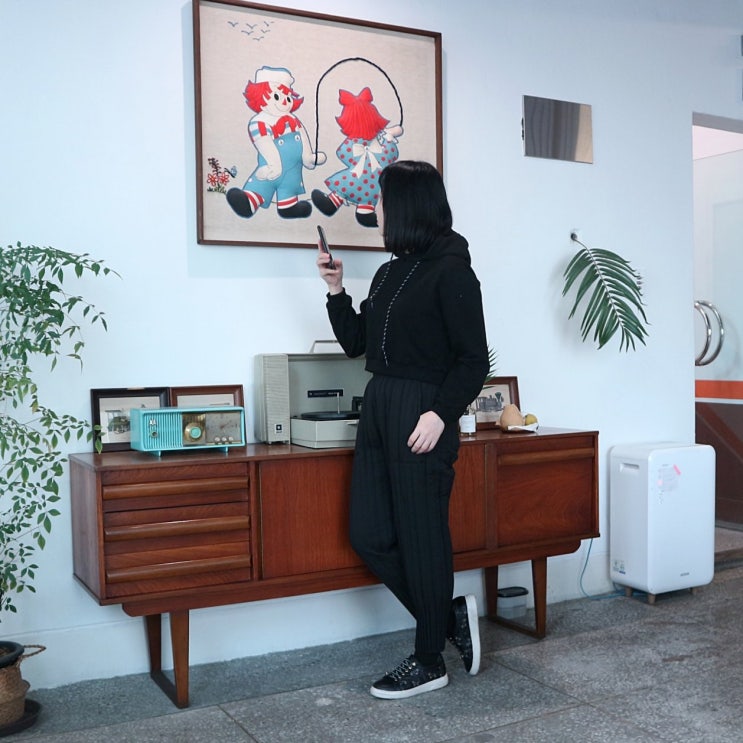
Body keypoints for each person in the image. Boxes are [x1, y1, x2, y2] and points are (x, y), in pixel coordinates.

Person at [316, 160, 489, 700]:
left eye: (383, 201)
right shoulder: (390, 273)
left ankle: (429, 660)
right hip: (379, 406)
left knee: (421, 537)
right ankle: (446, 616)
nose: (377, 210)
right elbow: (357, 344)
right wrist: (336, 291)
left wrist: (440, 414)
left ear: (408, 206)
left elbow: (473, 360)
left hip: (423, 413)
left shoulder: (453, 272)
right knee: (368, 534)